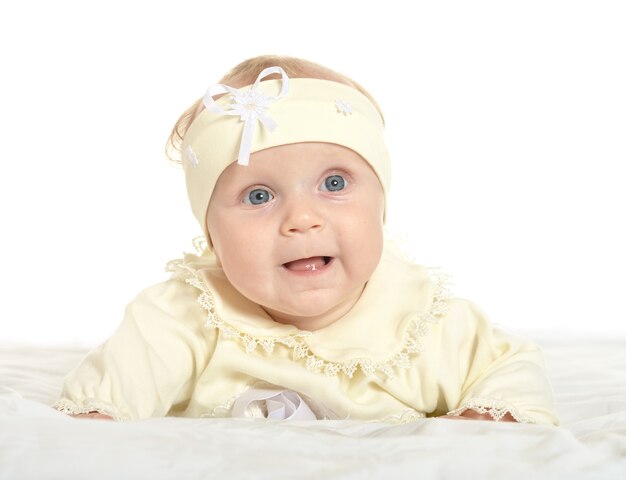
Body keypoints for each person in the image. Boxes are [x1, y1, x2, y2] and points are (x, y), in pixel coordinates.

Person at [54, 55, 559, 424]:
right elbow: (107, 401)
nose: (302, 220)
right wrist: (101, 418)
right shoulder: (182, 316)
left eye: (334, 185)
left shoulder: (424, 321)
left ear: (381, 206)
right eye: (257, 196)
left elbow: (510, 367)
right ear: (211, 235)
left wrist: (484, 419)